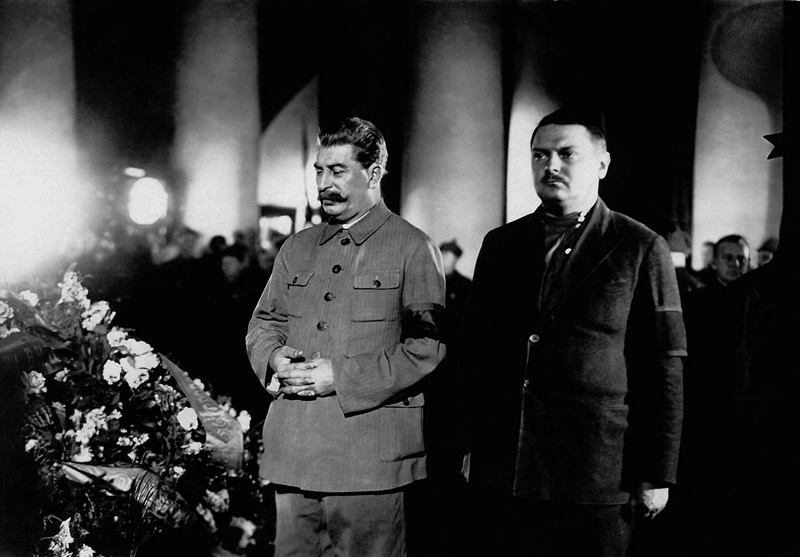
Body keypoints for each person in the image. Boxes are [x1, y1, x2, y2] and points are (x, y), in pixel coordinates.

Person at [458, 107, 686, 556]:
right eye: (540, 155)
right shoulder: (501, 244)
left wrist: (657, 473)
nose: (551, 166)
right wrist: (469, 445)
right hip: (507, 469)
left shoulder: (640, 246)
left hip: (596, 474)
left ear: (602, 163)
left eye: (567, 154)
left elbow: (664, 366)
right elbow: (474, 354)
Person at [246, 117, 446, 557]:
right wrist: (274, 358)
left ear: (373, 174)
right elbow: (263, 323)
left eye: (337, 171)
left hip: (369, 462)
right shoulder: (296, 247)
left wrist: (338, 376)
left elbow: (426, 349)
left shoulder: (414, 247)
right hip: (293, 452)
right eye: (319, 170)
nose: (324, 184)